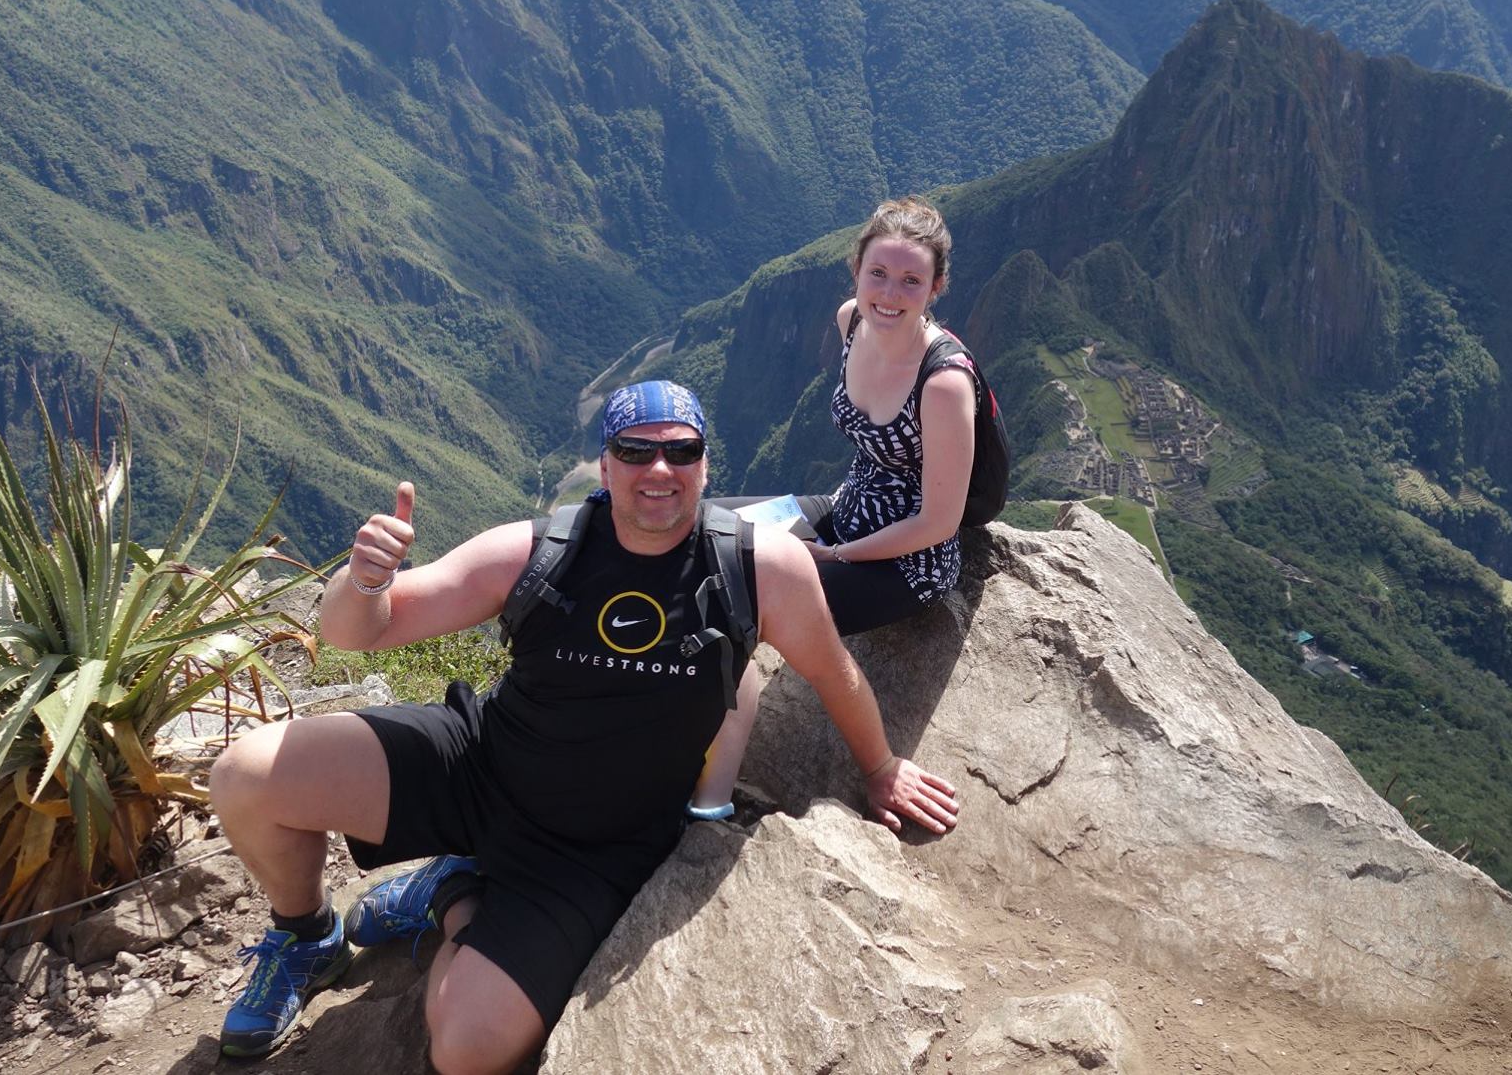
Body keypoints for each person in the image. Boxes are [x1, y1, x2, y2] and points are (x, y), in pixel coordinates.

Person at [207, 380, 961, 1074]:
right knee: (246, 777)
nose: (658, 469)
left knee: (467, 1049)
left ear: (705, 465)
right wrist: (365, 580)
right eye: (635, 450)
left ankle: (454, 892)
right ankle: (306, 937)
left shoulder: (763, 569)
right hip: (478, 764)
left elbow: (833, 671)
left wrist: (881, 767)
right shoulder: (537, 551)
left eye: (681, 451)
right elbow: (358, 632)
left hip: (594, 848)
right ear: (605, 466)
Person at [692, 196, 977, 816]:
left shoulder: (944, 382)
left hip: (906, 560)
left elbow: (939, 522)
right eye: (879, 273)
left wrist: (837, 555)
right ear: (856, 270)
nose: (890, 294)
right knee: (701, 532)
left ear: (936, 287)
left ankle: (709, 800)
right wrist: (830, 540)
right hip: (846, 505)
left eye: (911, 280)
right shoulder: (851, 322)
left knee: (739, 599)